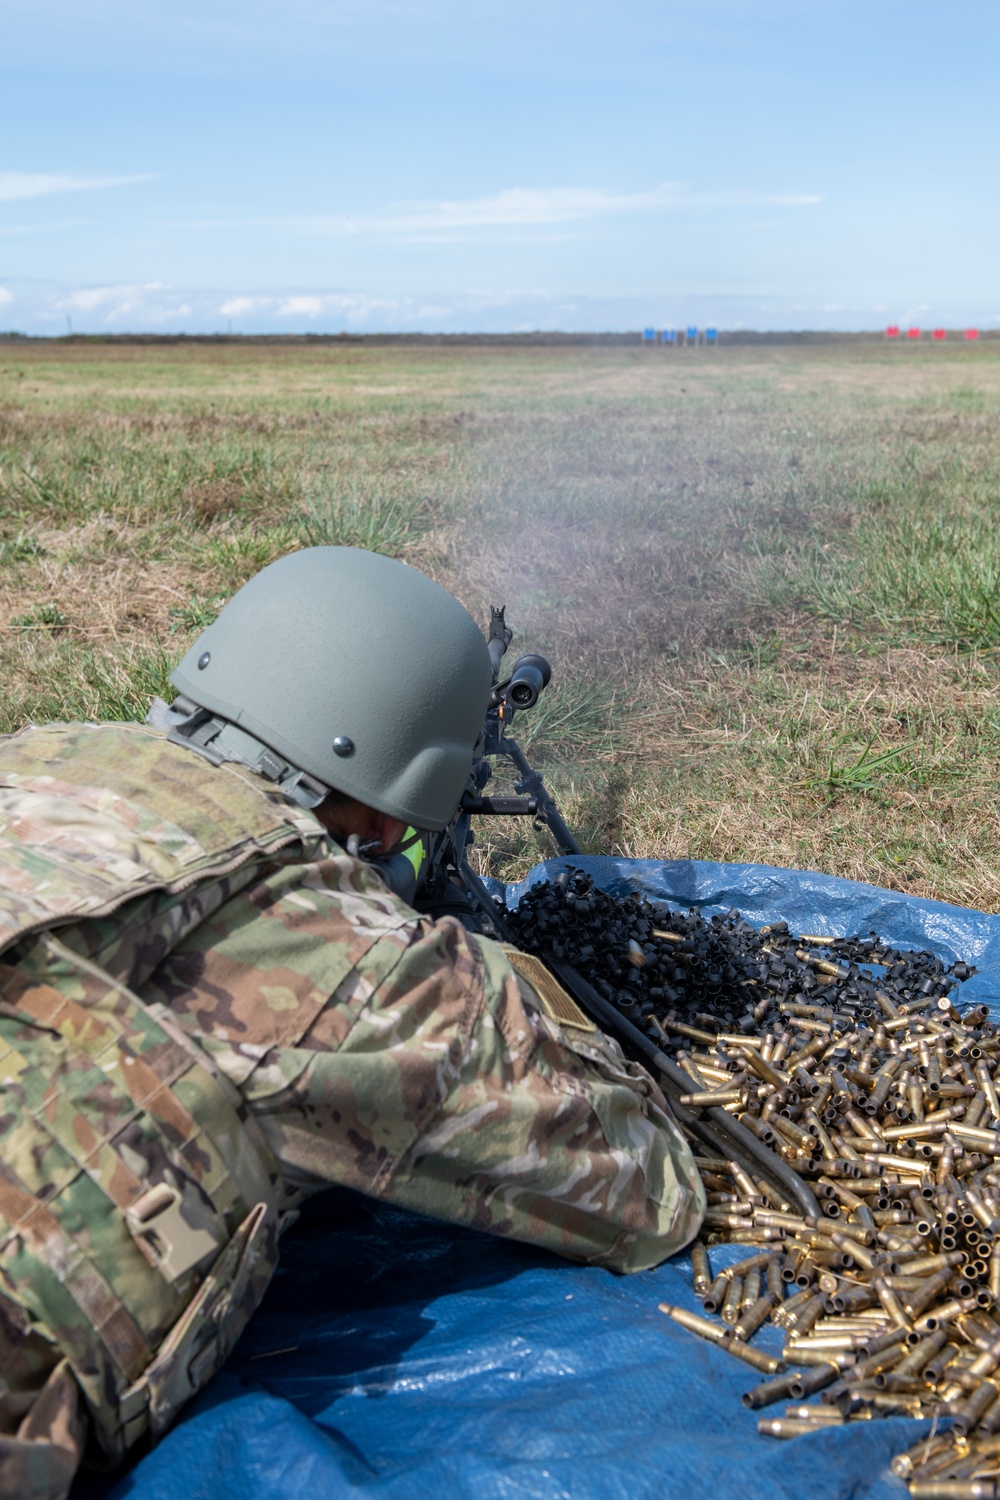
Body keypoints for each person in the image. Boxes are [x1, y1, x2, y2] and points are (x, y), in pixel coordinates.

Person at [0, 546, 704, 1499]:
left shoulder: (39, 756)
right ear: (380, 820)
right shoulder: (339, 951)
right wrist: (468, 968)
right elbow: (645, 1184)